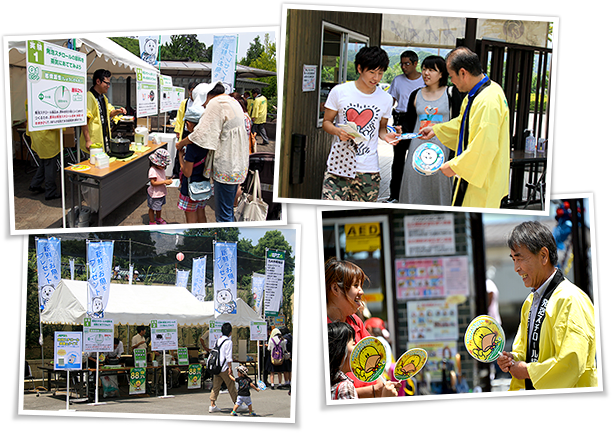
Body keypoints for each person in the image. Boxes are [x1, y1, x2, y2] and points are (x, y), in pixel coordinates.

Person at [497, 221, 598, 390]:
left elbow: (571, 362)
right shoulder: (530, 302)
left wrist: (527, 371)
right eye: (514, 259)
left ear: (543, 256)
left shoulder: (570, 298)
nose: (516, 268)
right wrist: (511, 359)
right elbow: (525, 351)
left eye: (520, 259)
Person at [420, 47, 510, 208]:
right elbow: (464, 124)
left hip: (482, 181)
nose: (451, 81)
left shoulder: (487, 101)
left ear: (463, 73)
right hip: (481, 176)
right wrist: (437, 129)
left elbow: (485, 146)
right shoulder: (486, 91)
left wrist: (454, 166)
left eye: (452, 76)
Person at [321, 46, 400, 202]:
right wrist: (338, 132)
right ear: (359, 68)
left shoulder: (385, 99)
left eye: (380, 73)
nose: (376, 78)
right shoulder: (339, 91)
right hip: (338, 167)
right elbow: (326, 122)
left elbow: (381, 130)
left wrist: (387, 136)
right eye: (372, 72)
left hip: (368, 170)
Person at [325, 257, 399, 398]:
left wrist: (383, 385)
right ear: (335, 289)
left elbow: (374, 362)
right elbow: (330, 393)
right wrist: (374, 392)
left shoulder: (356, 321)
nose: (361, 292)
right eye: (356, 286)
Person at [398, 55, 462, 205]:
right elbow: (409, 122)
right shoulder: (416, 94)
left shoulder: (452, 94)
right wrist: (401, 130)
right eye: (424, 69)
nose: (426, 73)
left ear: (442, 74)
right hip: (417, 150)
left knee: (440, 189)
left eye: (432, 70)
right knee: (414, 188)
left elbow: (459, 121)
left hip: (443, 151)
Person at [184, 81, 249, 222]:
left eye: (203, 104)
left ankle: (226, 242)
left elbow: (199, 134)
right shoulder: (232, 101)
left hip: (226, 167)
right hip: (237, 164)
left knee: (223, 216)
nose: (204, 107)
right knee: (228, 210)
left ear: (207, 96)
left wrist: (180, 144)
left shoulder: (216, 103)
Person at [387, 50, 425, 202]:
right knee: (398, 160)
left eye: (407, 64)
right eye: (401, 64)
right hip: (400, 121)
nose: (403, 67)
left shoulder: (424, 80)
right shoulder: (398, 80)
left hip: (418, 120)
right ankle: (394, 195)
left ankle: (416, 194)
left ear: (416, 64)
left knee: (418, 157)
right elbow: (391, 99)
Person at [328, 322, 398, 400]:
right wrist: (386, 397)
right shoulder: (345, 388)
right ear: (341, 350)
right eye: (353, 344)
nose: (357, 349)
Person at [176, 105, 209, 224]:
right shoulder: (208, 141)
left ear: (189, 124)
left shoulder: (191, 147)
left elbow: (187, 172)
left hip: (191, 189)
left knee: (191, 219)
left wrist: (180, 157)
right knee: (201, 214)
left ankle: (193, 240)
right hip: (204, 185)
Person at [80, 69, 127, 154]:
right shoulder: (89, 97)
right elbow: (84, 121)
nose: (108, 86)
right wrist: (88, 140)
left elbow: (109, 113)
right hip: (93, 142)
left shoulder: (103, 97)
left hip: (103, 139)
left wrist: (118, 111)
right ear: (98, 81)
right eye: (107, 83)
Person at [209, 322, 238, 413]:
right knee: (231, 386)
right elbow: (228, 357)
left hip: (217, 367)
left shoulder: (218, 340)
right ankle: (237, 404)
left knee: (216, 387)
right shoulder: (228, 342)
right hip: (224, 368)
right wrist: (230, 368)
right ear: (230, 332)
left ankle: (212, 405)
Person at [172, 81, 198, 178]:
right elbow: (180, 116)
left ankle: (189, 172)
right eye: (191, 92)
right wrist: (178, 130)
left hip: (195, 132)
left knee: (191, 153)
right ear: (188, 91)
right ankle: (176, 173)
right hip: (185, 131)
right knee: (180, 150)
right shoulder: (185, 102)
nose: (193, 94)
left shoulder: (201, 102)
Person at [147, 148, 172, 225]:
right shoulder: (152, 170)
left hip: (161, 193)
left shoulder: (161, 169)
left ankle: (158, 218)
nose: (164, 167)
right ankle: (152, 221)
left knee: (159, 207)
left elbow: (162, 178)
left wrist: (167, 180)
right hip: (154, 194)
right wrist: (164, 182)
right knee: (152, 208)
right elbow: (153, 183)